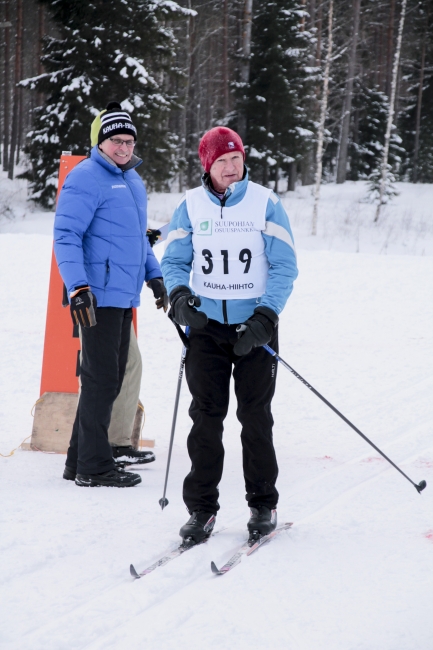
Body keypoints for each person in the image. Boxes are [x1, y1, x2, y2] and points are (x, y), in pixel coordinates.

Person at [161, 126, 298, 544]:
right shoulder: (190, 205)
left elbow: (284, 266)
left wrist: (265, 317)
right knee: (206, 417)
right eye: (222, 161)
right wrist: (180, 295)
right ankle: (201, 509)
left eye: (236, 159)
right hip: (205, 329)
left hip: (254, 327)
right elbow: (174, 259)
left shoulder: (265, 203)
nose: (231, 168)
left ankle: (262, 504)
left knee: (255, 417)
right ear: (208, 165)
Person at [54, 101, 168, 487]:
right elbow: (66, 235)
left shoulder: (132, 180)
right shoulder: (86, 177)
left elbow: (137, 239)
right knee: (102, 379)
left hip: (123, 295)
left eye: (129, 140)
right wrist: (78, 287)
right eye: (116, 140)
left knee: (109, 378)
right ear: (101, 142)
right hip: (96, 294)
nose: (123, 147)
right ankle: (94, 466)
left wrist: (155, 276)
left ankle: (77, 460)